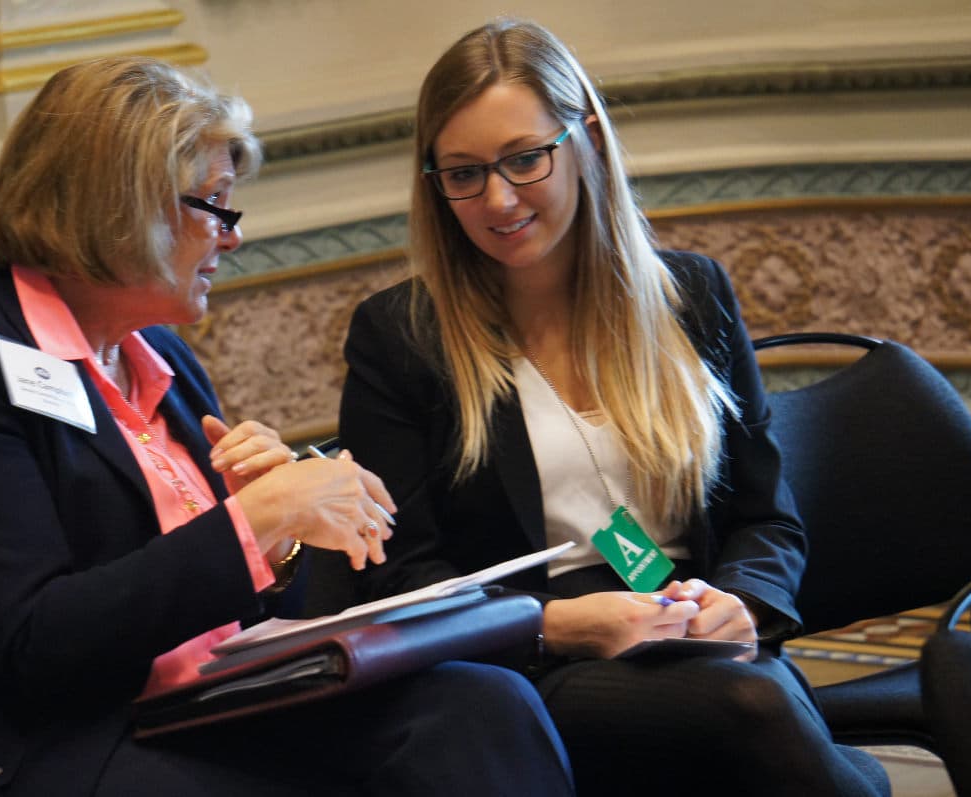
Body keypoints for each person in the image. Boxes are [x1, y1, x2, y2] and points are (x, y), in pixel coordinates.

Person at [0, 56, 575, 796]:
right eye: (216, 205)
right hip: (41, 741)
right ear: (120, 206)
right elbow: (34, 642)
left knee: (476, 705)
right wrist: (250, 523)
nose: (232, 238)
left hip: (203, 707)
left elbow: (243, 617)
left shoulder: (157, 355)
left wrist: (281, 540)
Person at [339, 18, 890, 797]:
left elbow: (765, 515)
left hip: (691, 611)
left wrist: (743, 602)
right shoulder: (401, 336)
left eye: (525, 159)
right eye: (462, 173)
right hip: (535, 653)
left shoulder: (690, 295)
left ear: (587, 140)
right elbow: (401, 577)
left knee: (752, 693)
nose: (497, 199)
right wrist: (554, 623)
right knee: (751, 705)